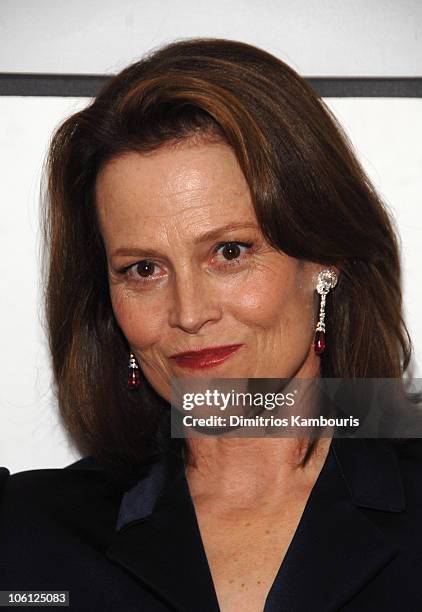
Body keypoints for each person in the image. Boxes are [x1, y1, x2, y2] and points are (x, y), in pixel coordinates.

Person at [1, 38, 422, 612]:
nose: (189, 312)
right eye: (143, 269)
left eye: (229, 252)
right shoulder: (24, 538)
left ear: (324, 259)